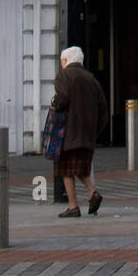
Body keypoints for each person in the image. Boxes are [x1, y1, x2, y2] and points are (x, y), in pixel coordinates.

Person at [52, 45, 109, 218]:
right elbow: (103, 110)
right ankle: (92, 194)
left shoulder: (64, 75)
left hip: (68, 132)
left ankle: (73, 206)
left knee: (65, 168)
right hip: (87, 133)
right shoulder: (92, 79)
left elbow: (63, 98)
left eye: (61, 61)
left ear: (65, 61)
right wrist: (94, 131)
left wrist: (55, 101)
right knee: (80, 167)